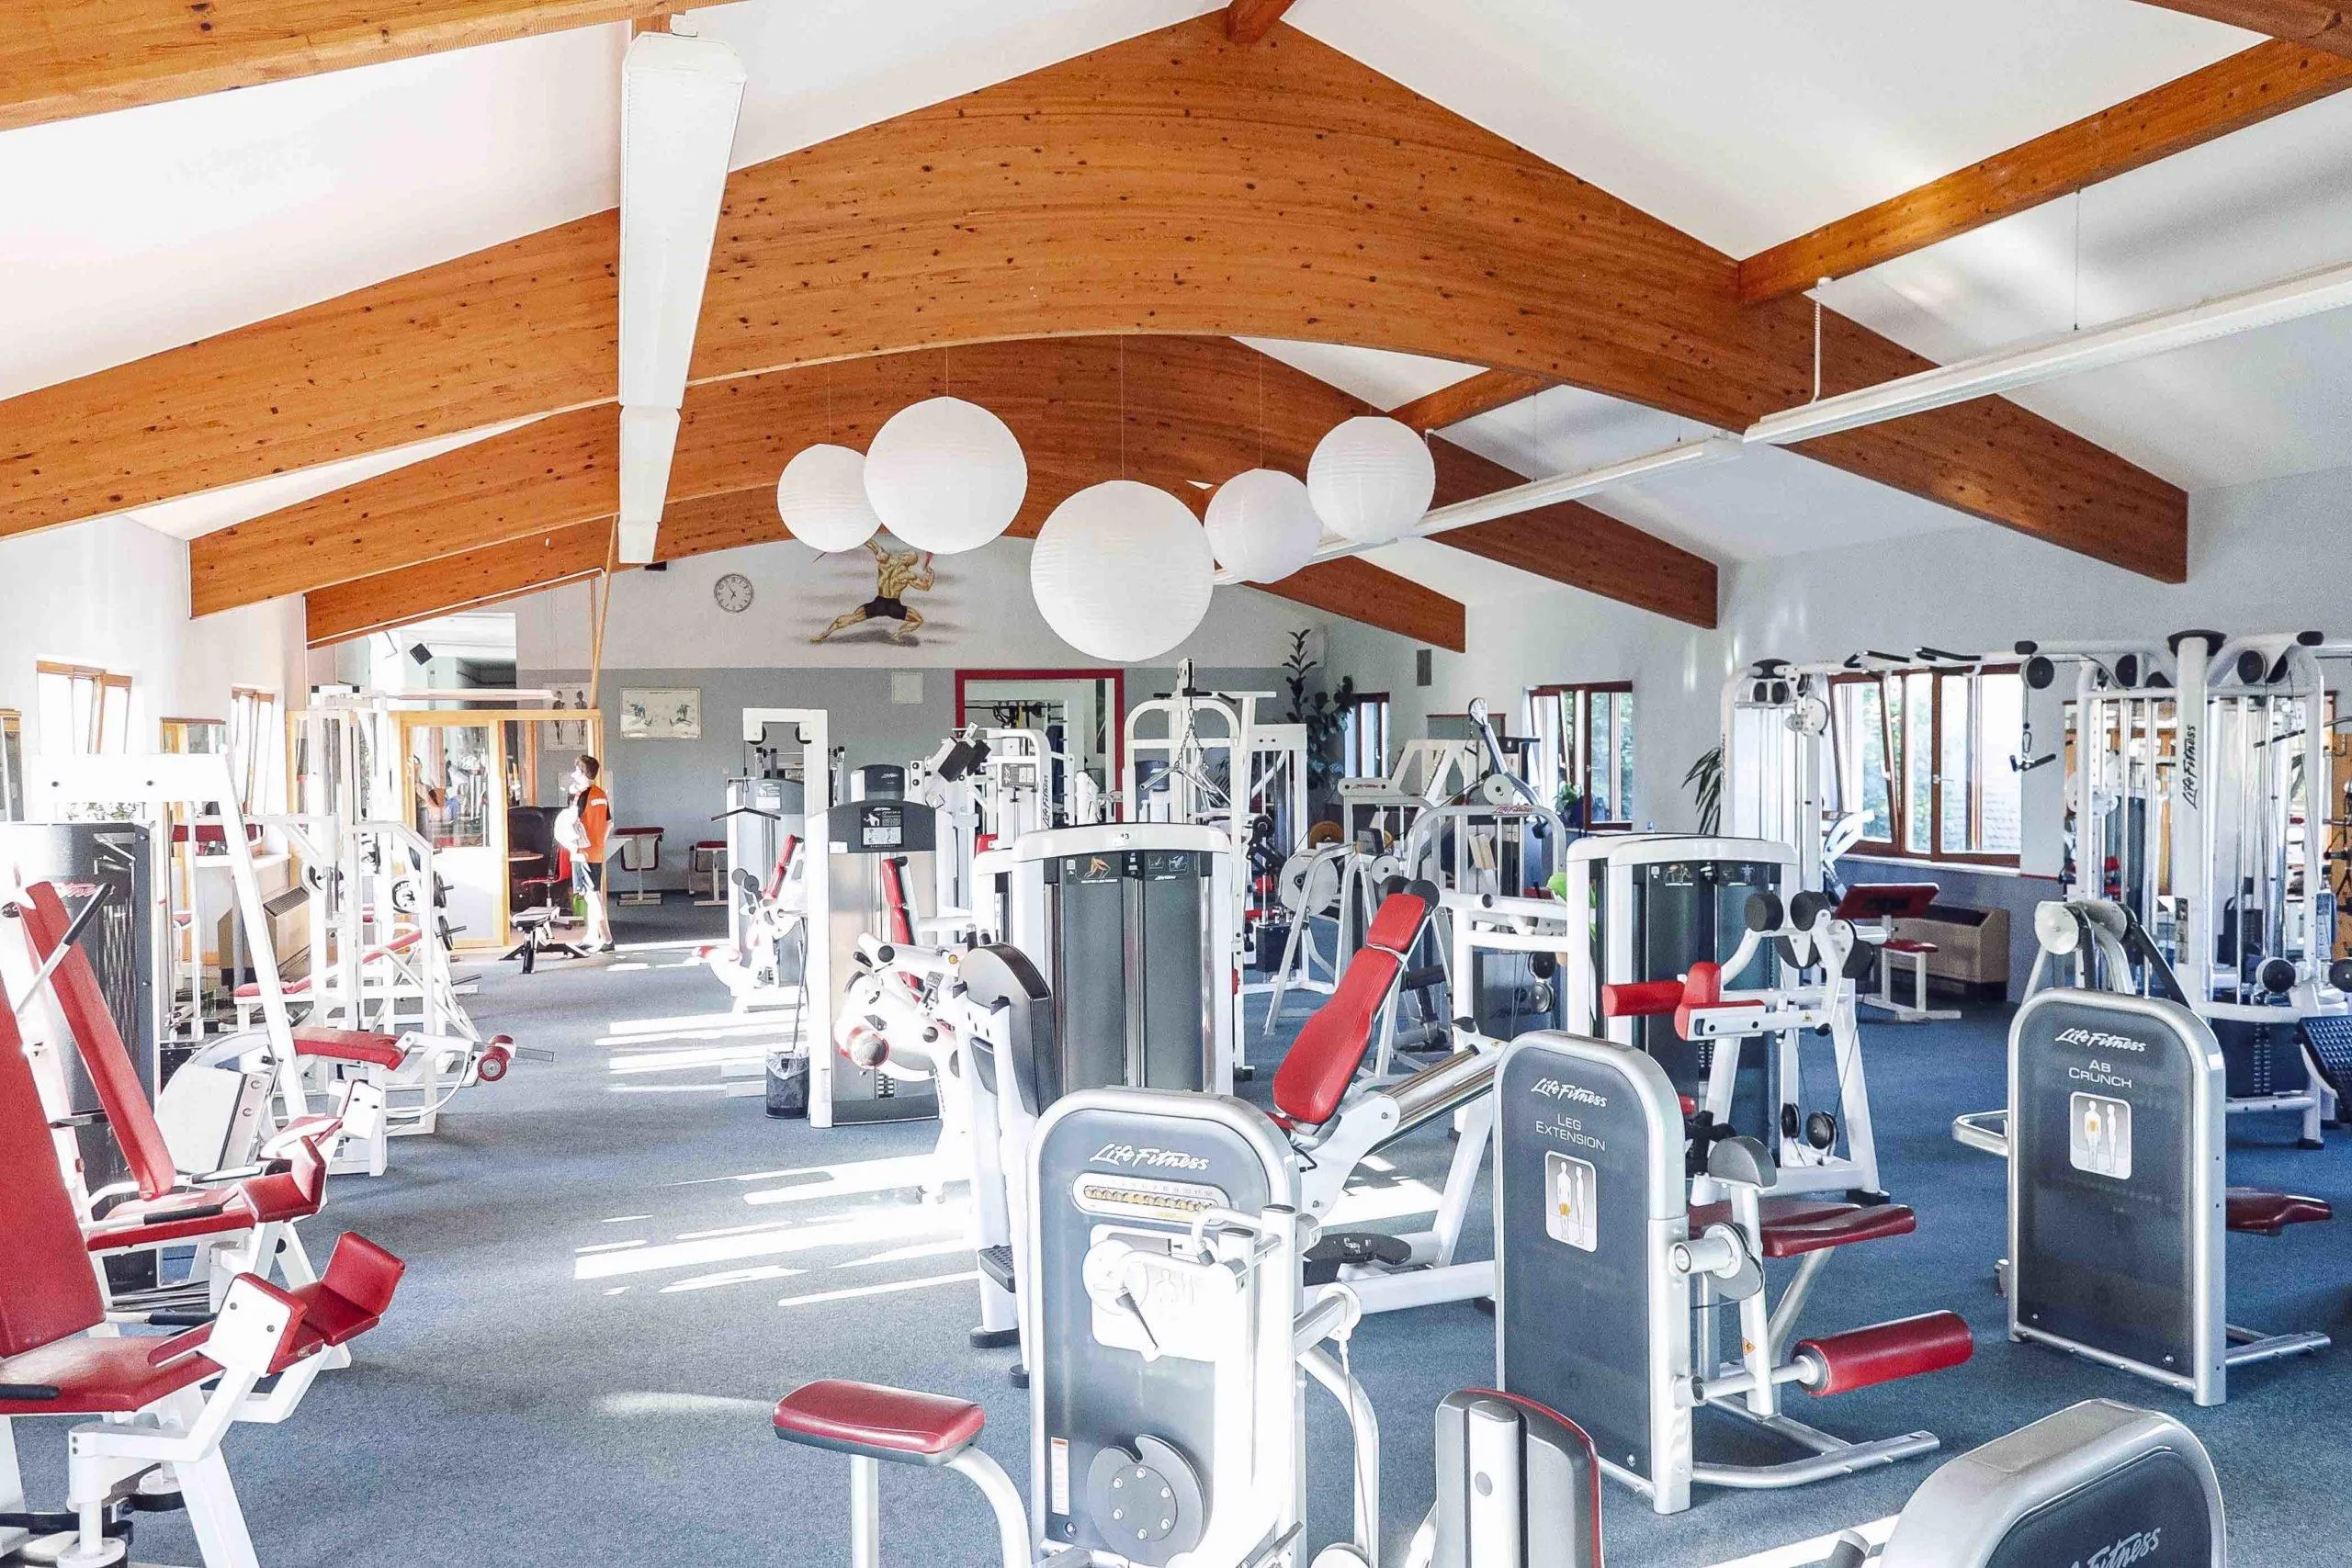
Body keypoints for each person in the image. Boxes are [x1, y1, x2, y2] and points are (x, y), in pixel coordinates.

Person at [562, 754, 614, 953]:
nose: (574, 774)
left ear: (582, 773)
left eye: (576, 770)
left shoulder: (580, 796)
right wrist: (599, 841)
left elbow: (570, 823)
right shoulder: (601, 794)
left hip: (582, 852)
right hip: (596, 851)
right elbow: (609, 823)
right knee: (591, 894)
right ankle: (592, 936)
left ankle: (607, 939)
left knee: (593, 896)